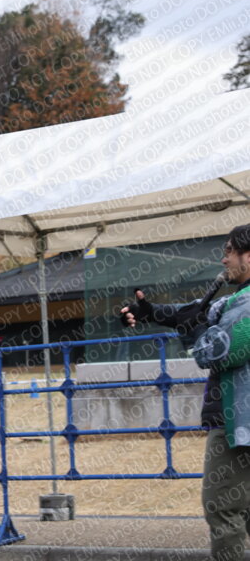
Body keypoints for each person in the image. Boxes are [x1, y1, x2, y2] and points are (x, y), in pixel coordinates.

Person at [120, 224, 250, 561]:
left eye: (229, 251)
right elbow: (196, 312)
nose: (223, 260)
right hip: (237, 422)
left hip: (238, 425)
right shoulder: (236, 299)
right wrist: (150, 312)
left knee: (222, 507)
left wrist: (197, 330)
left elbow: (223, 351)